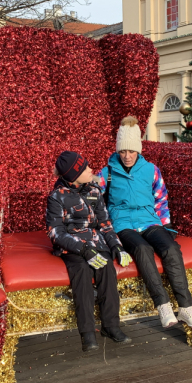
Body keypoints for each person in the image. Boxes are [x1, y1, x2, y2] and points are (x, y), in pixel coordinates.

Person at [97, 116, 192, 331]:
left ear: (138, 150)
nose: (127, 156)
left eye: (131, 151)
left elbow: (161, 197)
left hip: (149, 220)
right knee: (142, 248)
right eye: (123, 151)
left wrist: (164, 225)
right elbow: (94, 198)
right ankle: (163, 305)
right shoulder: (107, 172)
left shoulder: (151, 170)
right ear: (118, 151)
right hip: (123, 223)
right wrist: (104, 225)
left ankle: (186, 307)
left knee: (171, 248)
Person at [46, 151, 133, 352]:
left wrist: (116, 246)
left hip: (96, 244)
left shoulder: (94, 190)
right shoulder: (57, 197)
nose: (90, 169)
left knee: (107, 269)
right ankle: (87, 333)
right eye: (84, 168)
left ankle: (111, 326)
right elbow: (55, 232)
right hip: (72, 248)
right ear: (74, 174)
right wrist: (83, 250)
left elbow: (104, 223)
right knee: (82, 273)